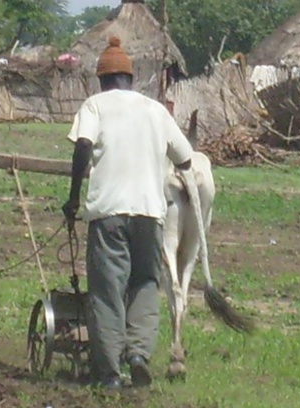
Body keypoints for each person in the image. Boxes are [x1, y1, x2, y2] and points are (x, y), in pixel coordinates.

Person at [62, 36, 194, 389]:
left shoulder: (95, 106)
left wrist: (74, 197)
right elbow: (185, 158)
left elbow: (84, 146)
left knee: (107, 292)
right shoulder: (155, 110)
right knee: (145, 284)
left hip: (108, 213)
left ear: (101, 80)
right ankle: (138, 355)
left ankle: (109, 374)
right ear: (131, 79)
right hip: (150, 214)